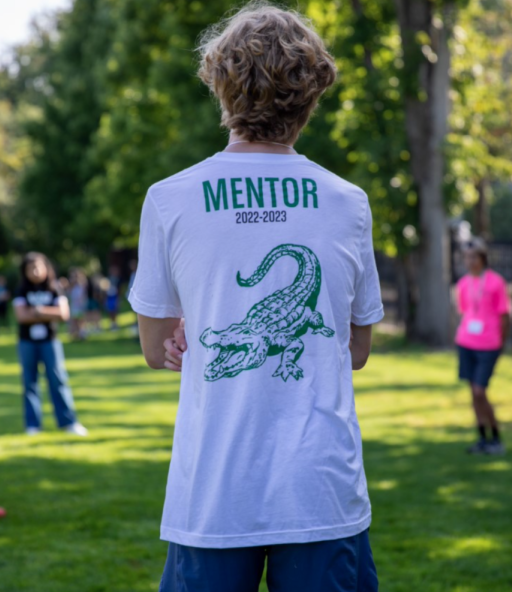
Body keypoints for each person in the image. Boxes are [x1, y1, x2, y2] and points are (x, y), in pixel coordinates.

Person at [136, 6, 382, 589]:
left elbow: (156, 348)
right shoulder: (348, 201)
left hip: (213, 492)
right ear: (312, 93)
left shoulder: (169, 199)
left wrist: (190, 332)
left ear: (220, 84)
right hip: (321, 490)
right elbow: (357, 347)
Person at [13, 252, 88, 436]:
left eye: (39, 266)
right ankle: (33, 425)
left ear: (47, 268)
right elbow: (21, 316)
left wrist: (37, 311)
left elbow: (63, 314)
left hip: (50, 341)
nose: (36, 271)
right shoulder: (21, 290)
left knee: (58, 379)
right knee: (30, 382)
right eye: (31, 268)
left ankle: (68, 422)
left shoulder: (54, 288)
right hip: (27, 342)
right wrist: (47, 312)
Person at [455, 239, 510, 455]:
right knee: (473, 392)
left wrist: (501, 343)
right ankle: (482, 438)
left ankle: (495, 437)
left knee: (480, 391)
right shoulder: (463, 284)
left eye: (474, 257)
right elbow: (464, 312)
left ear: (483, 258)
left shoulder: (496, 282)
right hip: (466, 342)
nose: (470, 261)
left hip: (489, 344)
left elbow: (505, 315)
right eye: (467, 257)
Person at [69, 269, 88, 341]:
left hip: (80, 306)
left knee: (81, 321)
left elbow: (83, 296)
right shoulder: (72, 286)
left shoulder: (82, 285)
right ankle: (75, 335)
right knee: (74, 321)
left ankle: (82, 334)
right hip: (74, 306)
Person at [105, 264, 121, 331]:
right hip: (109, 297)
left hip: (115, 297)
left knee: (115, 310)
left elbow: (120, 289)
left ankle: (115, 323)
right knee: (110, 311)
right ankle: (112, 323)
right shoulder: (108, 279)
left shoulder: (118, 279)